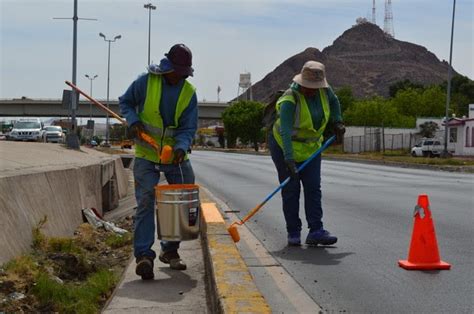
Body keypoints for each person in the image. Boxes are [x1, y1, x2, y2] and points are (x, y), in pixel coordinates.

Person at [119, 44, 198, 280]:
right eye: (177, 71)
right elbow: (125, 102)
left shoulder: (188, 92)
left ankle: (170, 250)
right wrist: (133, 121)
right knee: (145, 202)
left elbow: (188, 127)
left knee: (181, 198)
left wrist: (181, 148)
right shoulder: (146, 82)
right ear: (167, 67)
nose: (180, 76)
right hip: (146, 153)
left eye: (184, 73)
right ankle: (144, 255)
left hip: (174, 155)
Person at [268, 60, 345, 247]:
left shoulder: (325, 92)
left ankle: (316, 231)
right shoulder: (289, 99)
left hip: (311, 148)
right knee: (291, 189)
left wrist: (338, 122)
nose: (311, 90)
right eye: (308, 87)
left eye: (315, 87)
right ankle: (293, 231)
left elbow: (335, 103)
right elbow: (285, 131)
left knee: (313, 188)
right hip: (284, 146)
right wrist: (288, 159)